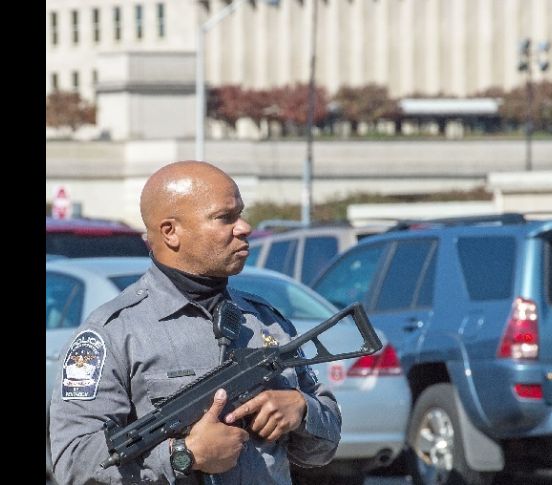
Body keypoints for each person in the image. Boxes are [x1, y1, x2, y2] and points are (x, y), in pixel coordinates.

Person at [49, 160, 341, 484]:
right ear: (171, 232)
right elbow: (72, 463)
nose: (244, 227)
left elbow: (324, 448)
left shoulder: (264, 320)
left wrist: (301, 411)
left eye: (241, 214)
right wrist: (183, 455)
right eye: (225, 217)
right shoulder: (114, 333)